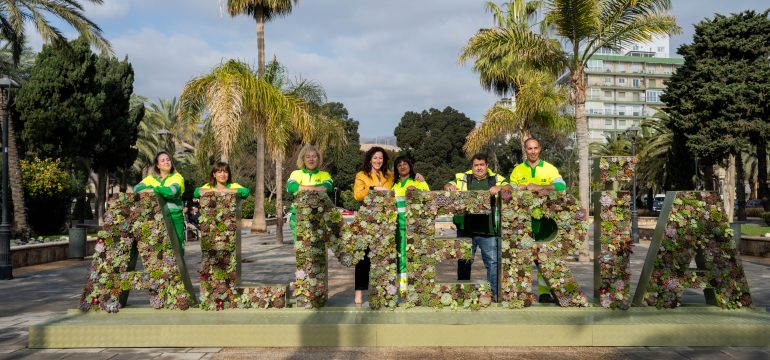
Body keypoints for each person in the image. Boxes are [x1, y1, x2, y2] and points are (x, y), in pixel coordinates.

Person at [509, 137, 566, 303]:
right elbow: (509, 190)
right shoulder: (517, 170)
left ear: (540, 149)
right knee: (520, 258)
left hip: (545, 221)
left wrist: (540, 186)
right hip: (521, 222)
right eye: (529, 148)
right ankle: (520, 293)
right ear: (525, 150)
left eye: (535, 148)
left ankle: (544, 293)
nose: (532, 151)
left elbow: (561, 186)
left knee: (545, 257)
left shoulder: (549, 169)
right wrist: (517, 188)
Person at [444, 153, 508, 300]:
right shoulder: (463, 178)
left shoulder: (496, 178)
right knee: (464, 262)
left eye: (482, 165)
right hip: (465, 229)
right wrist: (449, 186)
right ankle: (463, 294)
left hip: (489, 230)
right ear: (472, 167)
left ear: (487, 166)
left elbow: (510, 186)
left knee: (492, 263)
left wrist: (500, 188)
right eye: (476, 165)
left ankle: (494, 295)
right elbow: (448, 184)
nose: (479, 168)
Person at [352, 146, 394, 305]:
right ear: (369, 159)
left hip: (384, 222)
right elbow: (357, 195)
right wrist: (373, 188)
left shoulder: (389, 175)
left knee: (383, 258)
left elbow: (395, 190)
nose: (378, 161)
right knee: (362, 258)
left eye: (381, 158)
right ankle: (359, 293)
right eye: (375, 158)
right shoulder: (361, 175)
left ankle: (380, 293)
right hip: (366, 221)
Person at [134, 151, 186, 254]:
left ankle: (177, 269)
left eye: (168, 160)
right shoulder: (150, 178)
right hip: (156, 217)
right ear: (157, 165)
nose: (167, 162)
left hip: (174, 217)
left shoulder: (177, 177)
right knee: (159, 246)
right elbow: (136, 188)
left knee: (177, 245)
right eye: (163, 160)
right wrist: (157, 188)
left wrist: (153, 189)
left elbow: (172, 191)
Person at [391, 156, 430, 295]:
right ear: (396, 168)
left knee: (412, 257)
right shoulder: (393, 184)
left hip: (413, 228)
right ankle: (401, 288)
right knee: (399, 257)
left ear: (410, 166)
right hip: (396, 227)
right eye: (399, 164)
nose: (402, 166)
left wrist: (418, 189)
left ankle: (411, 288)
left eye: (405, 164)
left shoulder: (418, 181)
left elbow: (428, 196)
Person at [286, 144, 334, 240]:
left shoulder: (325, 175)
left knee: (318, 251)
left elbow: (327, 188)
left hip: (319, 218)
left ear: (318, 159)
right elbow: (291, 187)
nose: (311, 159)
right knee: (302, 251)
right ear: (303, 159)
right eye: (307, 157)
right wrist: (317, 188)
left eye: (314, 156)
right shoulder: (296, 173)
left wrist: (302, 187)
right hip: (298, 218)